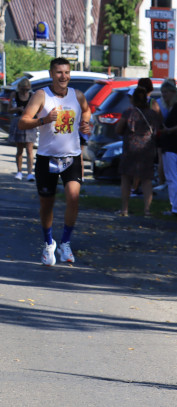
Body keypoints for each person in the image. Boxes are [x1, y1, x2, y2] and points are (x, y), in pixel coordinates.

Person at [19, 57, 93, 266]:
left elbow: (86, 110)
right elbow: (24, 122)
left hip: (71, 156)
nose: (64, 76)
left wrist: (85, 124)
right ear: (51, 74)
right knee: (47, 204)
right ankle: (48, 243)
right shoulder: (41, 96)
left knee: (73, 196)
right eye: (59, 72)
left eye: (67, 72)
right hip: (46, 158)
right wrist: (44, 120)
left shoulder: (77, 95)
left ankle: (65, 243)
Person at [115, 86, 163, 218]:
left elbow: (118, 129)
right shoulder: (152, 114)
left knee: (126, 178)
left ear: (134, 99)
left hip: (130, 148)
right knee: (147, 180)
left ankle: (124, 209)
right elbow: (159, 127)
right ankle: (147, 210)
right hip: (147, 149)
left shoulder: (129, 113)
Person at [157, 79, 177, 216]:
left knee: (173, 177)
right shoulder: (173, 107)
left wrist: (169, 130)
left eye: (166, 92)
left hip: (173, 145)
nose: (164, 95)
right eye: (162, 92)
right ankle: (175, 205)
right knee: (172, 176)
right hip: (169, 145)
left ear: (173, 92)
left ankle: (176, 208)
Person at [10, 79, 38, 181]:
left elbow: (37, 110)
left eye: (27, 89)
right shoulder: (15, 95)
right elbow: (9, 109)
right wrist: (18, 109)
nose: (25, 91)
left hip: (30, 123)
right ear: (19, 88)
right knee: (20, 150)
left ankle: (30, 173)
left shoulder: (32, 95)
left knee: (30, 149)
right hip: (18, 122)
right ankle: (19, 172)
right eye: (23, 89)